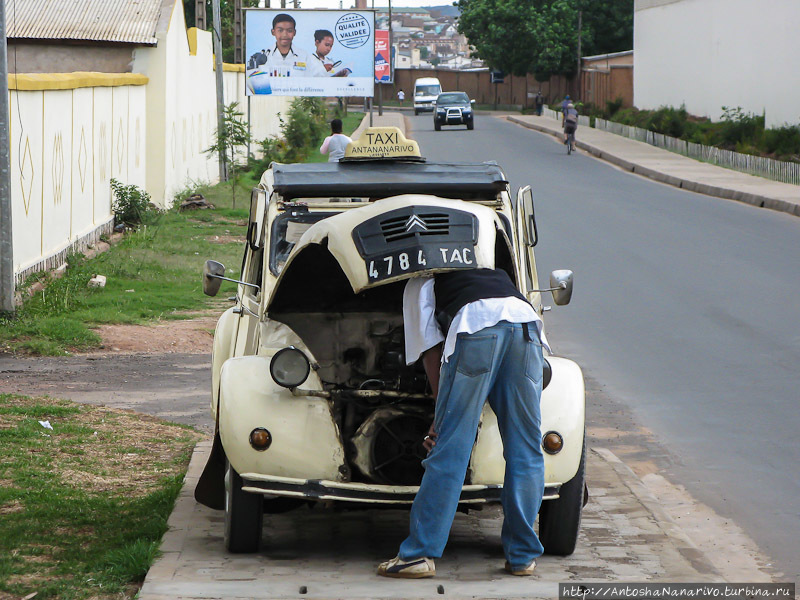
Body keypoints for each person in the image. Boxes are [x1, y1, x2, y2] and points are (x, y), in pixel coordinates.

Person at [377, 267, 549, 579]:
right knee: (526, 447)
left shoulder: (419, 282)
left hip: (476, 329)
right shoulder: (488, 269)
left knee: (450, 446)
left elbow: (430, 350)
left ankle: (418, 554)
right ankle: (522, 556)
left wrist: (438, 417)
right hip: (526, 327)